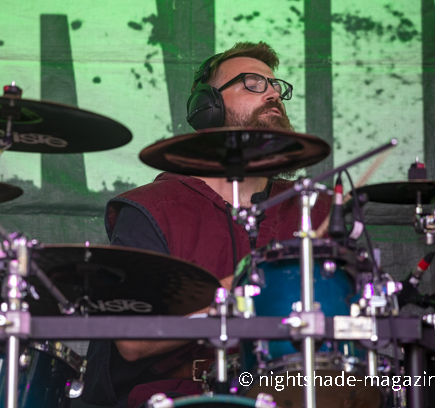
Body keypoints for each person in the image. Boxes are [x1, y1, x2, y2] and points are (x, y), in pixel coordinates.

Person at [80, 41, 331, 408]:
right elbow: (132, 342)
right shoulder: (152, 208)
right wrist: (237, 295)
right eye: (253, 83)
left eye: (276, 86)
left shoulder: (315, 209)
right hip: (183, 398)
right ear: (207, 108)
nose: (273, 93)